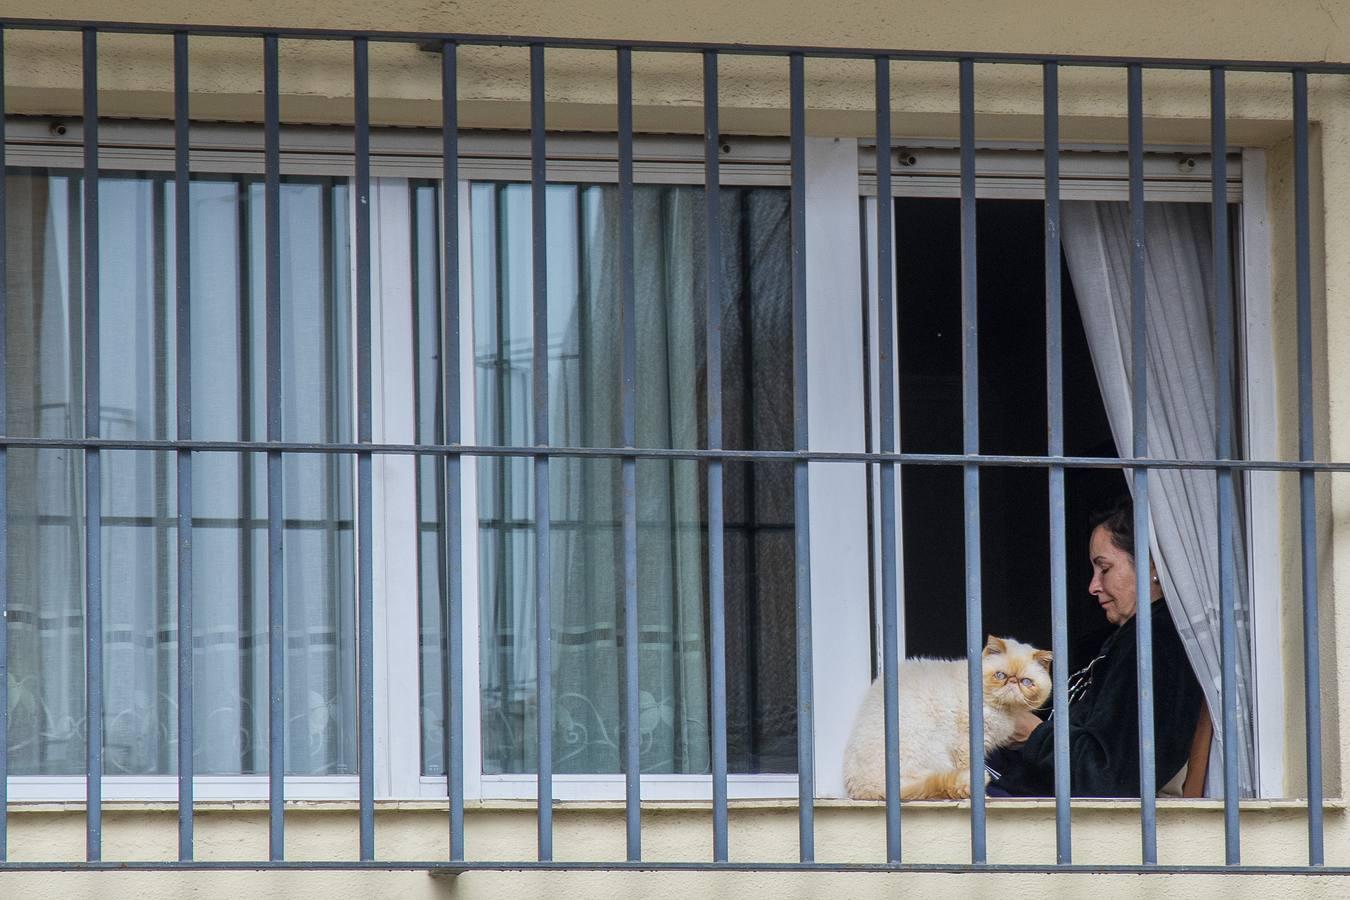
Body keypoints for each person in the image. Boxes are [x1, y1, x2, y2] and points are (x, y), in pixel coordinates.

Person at [986, 496, 1205, 797]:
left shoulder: (1155, 643)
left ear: (1153, 566)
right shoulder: (1131, 637)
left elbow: (1113, 776)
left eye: (1104, 569)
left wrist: (1033, 735)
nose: (1092, 586)